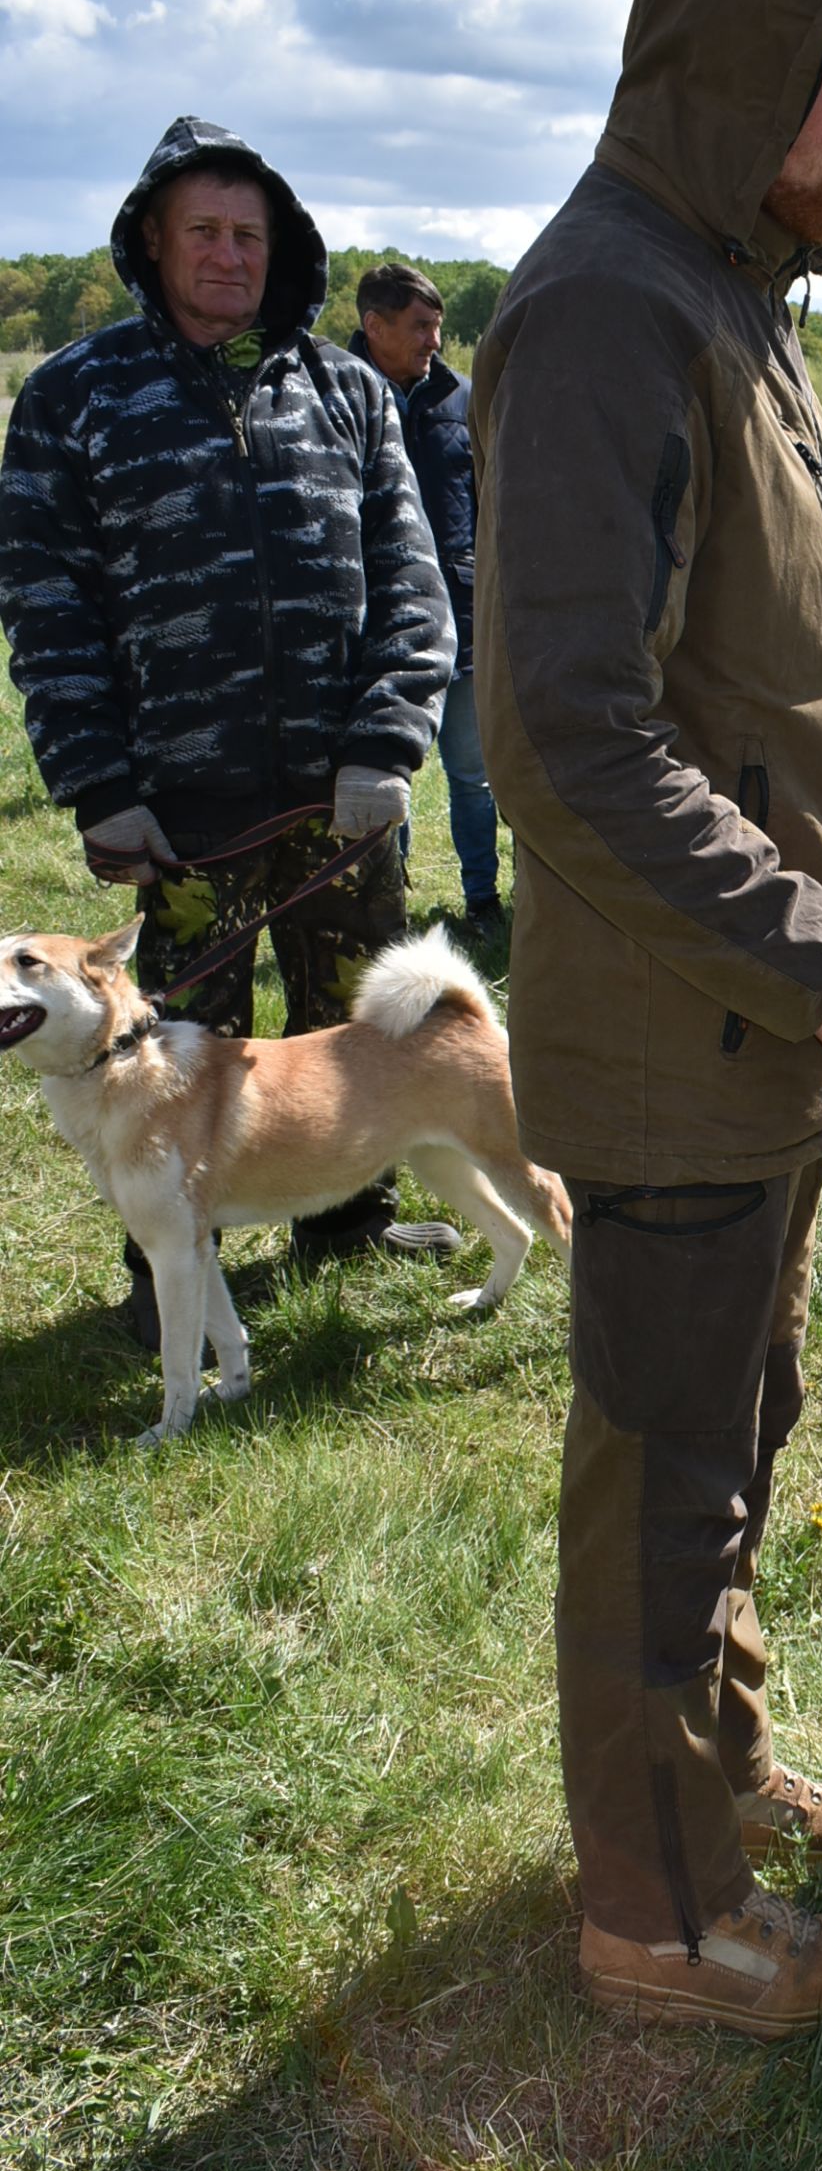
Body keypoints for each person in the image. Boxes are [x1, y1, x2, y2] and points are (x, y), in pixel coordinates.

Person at [472, 0, 822, 2037]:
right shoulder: (604, 312)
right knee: (667, 1476)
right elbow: (572, 738)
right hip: (699, 1036)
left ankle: (723, 1772)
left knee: (736, 1430)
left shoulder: (726, 294)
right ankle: (660, 1915)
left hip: (759, 1048)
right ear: (747, 50)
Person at [0, 116, 455, 1338]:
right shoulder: (74, 398)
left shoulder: (350, 390)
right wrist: (99, 782)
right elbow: (47, 612)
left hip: (340, 799)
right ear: (152, 241)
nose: (226, 254)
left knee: (363, 1026)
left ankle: (347, 1216)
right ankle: (171, 1270)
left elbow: (412, 582)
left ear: (281, 247)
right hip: (174, 807)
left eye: (249, 234)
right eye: (201, 230)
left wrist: (388, 741)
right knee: (178, 1056)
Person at [352, 261, 505, 946]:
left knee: (474, 777)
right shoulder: (337, 395)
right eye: (419, 327)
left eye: (438, 328)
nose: (433, 342)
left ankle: (483, 904)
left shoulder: (465, 401)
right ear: (373, 325)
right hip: (377, 635)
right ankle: (393, 912)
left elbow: (494, 502)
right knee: (390, 785)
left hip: (466, 626)